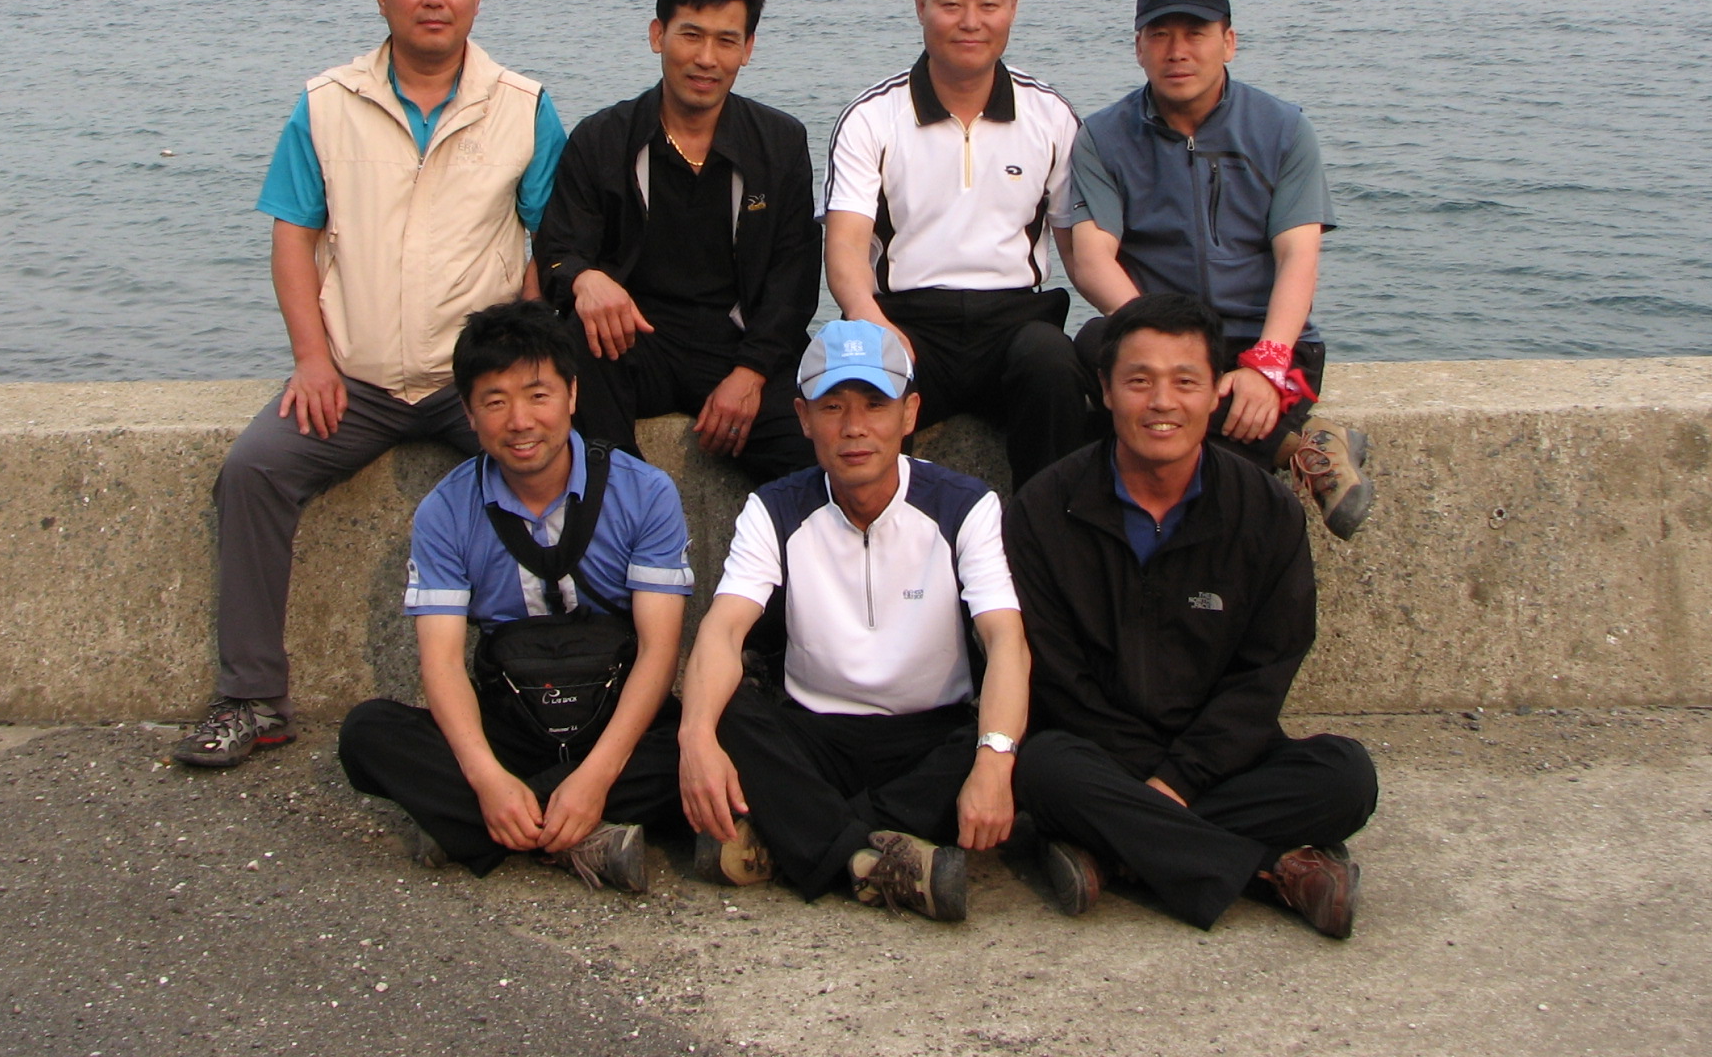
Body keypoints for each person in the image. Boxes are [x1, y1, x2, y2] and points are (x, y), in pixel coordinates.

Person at [173, 0, 567, 768]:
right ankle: (251, 696)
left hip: (476, 383)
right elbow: (292, 237)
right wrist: (312, 360)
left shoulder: (523, 107)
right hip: (355, 379)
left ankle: (563, 684)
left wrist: (528, 372)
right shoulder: (327, 104)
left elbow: (550, 242)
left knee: (569, 475)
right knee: (253, 471)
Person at [1005, 292, 1379, 936]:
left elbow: (1266, 672)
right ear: (1105, 390)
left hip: (1219, 754)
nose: (1162, 402)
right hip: (1096, 751)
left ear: (1214, 395)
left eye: (1185, 382)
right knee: (1043, 771)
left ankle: (1113, 846)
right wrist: (1153, 778)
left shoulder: (1264, 511)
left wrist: (1177, 781)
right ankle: (1273, 869)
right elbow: (1057, 678)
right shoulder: (1044, 510)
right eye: (1139, 382)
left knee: (1346, 778)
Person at [677, 320, 1030, 923]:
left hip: (928, 737)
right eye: (833, 406)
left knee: (1015, 737)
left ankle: (795, 840)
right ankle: (876, 861)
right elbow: (724, 628)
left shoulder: (965, 505)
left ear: (909, 412)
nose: (854, 427)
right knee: (721, 713)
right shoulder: (775, 508)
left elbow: (1005, 641)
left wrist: (995, 763)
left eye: (875, 404)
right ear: (803, 417)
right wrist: (695, 739)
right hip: (814, 735)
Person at [337, 300, 691, 894]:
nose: (520, 421)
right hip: (513, 726)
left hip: (614, 720)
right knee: (367, 733)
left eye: (538, 395)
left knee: (719, 736)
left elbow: (659, 652)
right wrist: (486, 779)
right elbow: (441, 662)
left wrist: (596, 777)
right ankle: (576, 834)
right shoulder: (445, 511)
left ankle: (478, 828)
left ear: (572, 395)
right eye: (495, 402)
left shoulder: (645, 492)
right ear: (469, 413)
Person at [1057, 0, 1373, 537]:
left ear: (1228, 42)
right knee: (1096, 341)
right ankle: (1304, 447)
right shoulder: (1103, 137)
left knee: (1208, 479)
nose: (1177, 52)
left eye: (1195, 33)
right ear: (1138, 48)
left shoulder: (1283, 129)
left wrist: (1268, 363)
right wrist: (1165, 341)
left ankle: (1286, 444)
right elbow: (1094, 257)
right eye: (1160, 35)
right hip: (1163, 336)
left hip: (1264, 338)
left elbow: (1298, 255)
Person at [822, 0, 1092, 489]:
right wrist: (873, 323)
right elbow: (846, 246)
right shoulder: (872, 117)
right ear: (921, 6)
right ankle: (872, 535)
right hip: (906, 318)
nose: (971, 21)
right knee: (860, 383)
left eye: (989, 4)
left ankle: (1047, 530)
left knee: (1055, 366)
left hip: (1016, 322)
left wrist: (1145, 327)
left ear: (1013, 7)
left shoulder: (1051, 115)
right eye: (951, 4)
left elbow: (1080, 253)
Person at [535, 0, 818, 484]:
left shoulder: (779, 142)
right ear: (657, 35)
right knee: (576, 345)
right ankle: (620, 501)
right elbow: (558, 249)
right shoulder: (603, 138)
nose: (706, 59)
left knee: (818, 453)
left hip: (736, 344)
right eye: (690, 35)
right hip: (635, 340)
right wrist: (584, 278)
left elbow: (794, 278)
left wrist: (751, 373)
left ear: (747, 49)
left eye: (726, 41)